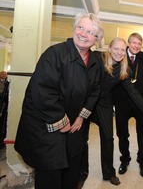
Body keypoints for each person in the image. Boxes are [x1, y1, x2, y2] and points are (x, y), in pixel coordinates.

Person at [14, 13, 104, 189]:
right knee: (50, 173)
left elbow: (95, 91)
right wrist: (61, 121)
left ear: (96, 39)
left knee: (72, 170)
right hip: (48, 126)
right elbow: (42, 92)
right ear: (74, 28)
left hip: (75, 126)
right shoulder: (54, 53)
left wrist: (81, 117)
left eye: (90, 32)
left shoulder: (94, 61)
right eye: (81, 28)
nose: (84, 34)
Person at [91, 37, 143, 186]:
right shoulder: (97, 57)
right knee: (79, 138)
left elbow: (132, 90)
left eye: (122, 50)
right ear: (109, 48)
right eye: (117, 49)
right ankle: (79, 173)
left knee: (108, 138)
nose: (120, 52)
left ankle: (109, 173)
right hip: (87, 101)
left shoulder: (123, 69)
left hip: (105, 104)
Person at [112, 33, 143, 177]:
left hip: (140, 103)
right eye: (134, 43)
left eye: (139, 44)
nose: (137, 46)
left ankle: (142, 159)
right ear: (128, 43)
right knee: (122, 133)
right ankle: (125, 159)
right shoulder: (119, 55)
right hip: (122, 102)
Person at [0, 71, 8, 161]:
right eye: (2, 74)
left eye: (5, 74)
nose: (4, 75)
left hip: (4, 105)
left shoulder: (7, 82)